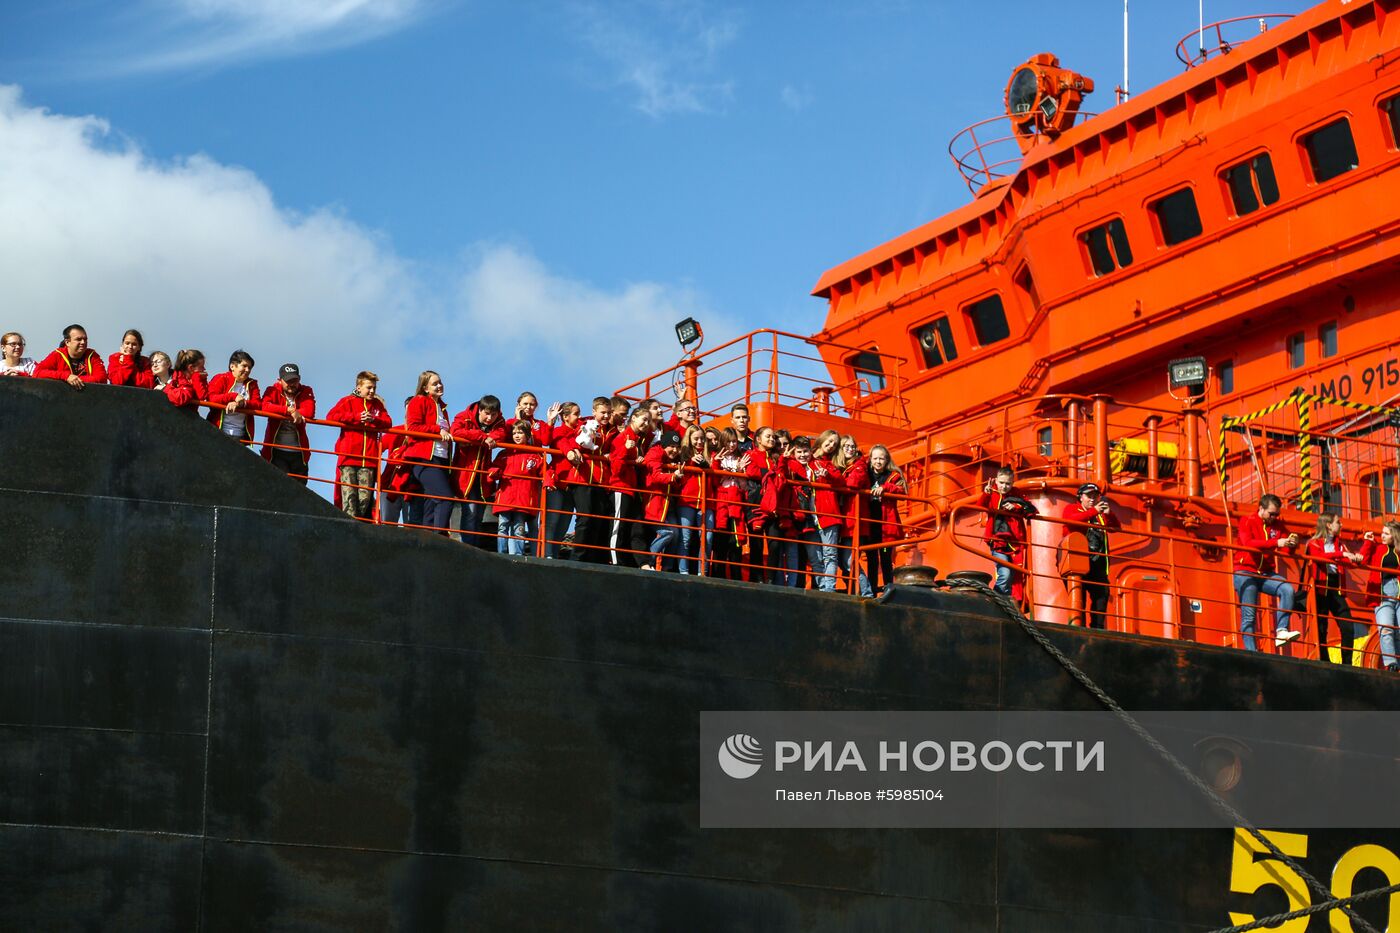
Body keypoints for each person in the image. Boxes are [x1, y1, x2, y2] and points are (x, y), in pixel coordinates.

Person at [1232, 493, 1302, 651]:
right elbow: (1249, 544)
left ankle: (1281, 631)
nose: (1274, 517)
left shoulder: (1277, 525)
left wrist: (1292, 544)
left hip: (1265, 572)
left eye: (1277, 514)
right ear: (1261, 509)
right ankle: (1251, 651)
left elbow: (1285, 549)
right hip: (1245, 571)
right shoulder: (1247, 521)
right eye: (1271, 514)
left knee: (1287, 589)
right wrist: (1277, 542)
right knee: (1249, 615)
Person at [326, 371, 391, 519]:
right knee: (349, 498)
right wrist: (355, 418)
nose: (372, 391)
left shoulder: (377, 405)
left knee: (365, 500)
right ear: (359, 387)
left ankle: (358, 529)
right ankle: (349, 529)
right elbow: (331, 416)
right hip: (348, 458)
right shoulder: (347, 401)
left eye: (374, 387)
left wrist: (374, 420)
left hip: (368, 460)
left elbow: (388, 421)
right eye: (369, 387)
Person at [1305, 512, 1364, 665]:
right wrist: (1342, 554)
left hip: (1335, 587)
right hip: (1320, 588)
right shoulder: (1314, 543)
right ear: (1329, 525)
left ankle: (1347, 663)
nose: (1341, 525)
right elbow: (1321, 557)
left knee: (1348, 626)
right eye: (1338, 522)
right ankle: (1325, 662)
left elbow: (1350, 561)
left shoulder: (1340, 544)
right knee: (1321, 627)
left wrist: (1357, 557)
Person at [1060, 483, 1121, 629]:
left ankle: (1097, 628)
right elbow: (1071, 520)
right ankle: (1078, 627)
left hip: (1097, 563)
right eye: (1089, 496)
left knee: (1102, 594)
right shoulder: (1072, 508)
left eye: (1095, 496)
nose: (1092, 499)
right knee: (1078, 596)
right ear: (1080, 497)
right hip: (1077, 561)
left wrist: (1109, 514)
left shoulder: (1099, 515)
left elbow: (1116, 527)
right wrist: (1094, 511)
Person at [450, 395, 507, 547]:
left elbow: (502, 432)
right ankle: (468, 547)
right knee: (470, 512)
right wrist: (483, 437)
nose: (489, 418)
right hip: (465, 473)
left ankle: (473, 547)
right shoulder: (464, 416)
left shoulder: (499, 421)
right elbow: (455, 431)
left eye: (493, 415)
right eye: (486, 414)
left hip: (482, 477)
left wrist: (490, 437)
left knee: (478, 514)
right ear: (480, 410)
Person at [403, 371, 455, 534]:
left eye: (440, 382)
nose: (439, 385)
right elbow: (412, 427)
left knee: (432, 503)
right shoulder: (418, 401)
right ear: (425, 388)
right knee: (445, 498)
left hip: (441, 459)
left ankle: (428, 538)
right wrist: (437, 430)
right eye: (434, 383)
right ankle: (439, 538)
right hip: (425, 459)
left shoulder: (442, 407)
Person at [977, 466, 1037, 602]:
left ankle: (1006, 603)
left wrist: (1015, 507)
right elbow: (980, 505)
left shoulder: (1017, 494)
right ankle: (995, 601)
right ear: (996, 481)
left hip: (1016, 542)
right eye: (1002, 483)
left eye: (1008, 483)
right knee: (1005, 572)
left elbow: (1032, 510)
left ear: (1012, 483)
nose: (1004, 486)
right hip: (997, 540)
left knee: (1014, 576)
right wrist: (985, 493)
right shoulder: (991, 492)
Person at [488, 420, 545, 556]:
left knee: (519, 529)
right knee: (502, 527)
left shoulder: (535, 455)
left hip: (523, 499)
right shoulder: (504, 454)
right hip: (506, 497)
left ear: (527, 435)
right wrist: (493, 472)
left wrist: (549, 482)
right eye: (514, 433)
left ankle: (518, 555)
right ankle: (501, 554)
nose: (517, 435)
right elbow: (493, 467)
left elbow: (545, 471)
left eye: (520, 432)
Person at [570, 396, 617, 563]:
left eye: (609, 413)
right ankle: (578, 558)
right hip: (583, 478)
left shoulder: (613, 430)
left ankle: (595, 558)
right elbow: (576, 441)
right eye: (603, 412)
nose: (606, 416)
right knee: (586, 518)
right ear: (594, 411)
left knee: (600, 519)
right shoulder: (585, 425)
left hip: (602, 481)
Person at [607, 406, 653, 567]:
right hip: (620, 488)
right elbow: (616, 469)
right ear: (633, 418)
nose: (646, 423)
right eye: (644, 419)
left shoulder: (636, 439)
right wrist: (627, 451)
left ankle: (637, 562)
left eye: (648, 420)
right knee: (618, 526)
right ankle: (614, 560)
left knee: (633, 527)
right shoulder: (623, 438)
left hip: (631, 490)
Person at [832, 435, 874, 597]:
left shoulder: (860, 465)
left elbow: (853, 483)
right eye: (846, 446)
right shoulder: (841, 466)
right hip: (843, 519)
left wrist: (835, 480)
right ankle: (856, 591)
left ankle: (866, 592)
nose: (850, 449)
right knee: (843, 560)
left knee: (849, 561)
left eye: (852, 446)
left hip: (853, 520)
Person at [260, 363, 316, 483]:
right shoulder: (272, 390)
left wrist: (293, 412)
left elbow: (309, 411)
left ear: (299, 379)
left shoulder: (306, 390)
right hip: (275, 451)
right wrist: (289, 410)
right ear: (279, 380)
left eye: (295, 380)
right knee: (280, 485)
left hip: (299, 453)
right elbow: (264, 406)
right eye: (288, 380)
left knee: (300, 490)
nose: (292, 384)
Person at [543, 401, 584, 558]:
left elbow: (580, 442)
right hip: (558, 482)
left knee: (564, 524)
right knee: (552, 521)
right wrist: (572, 449)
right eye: (576, 413)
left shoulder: (580, 430)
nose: (579, 416)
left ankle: (553, 554)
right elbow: (559, 441)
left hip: (571, 485)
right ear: (565, 417)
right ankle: (546, 555)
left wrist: (573, 448)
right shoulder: (558, 431)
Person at [711, 428, 750, 580]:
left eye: (734, 441)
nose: (732, 444)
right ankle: (717, 576)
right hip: (721, 501)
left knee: (736, 541)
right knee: (720, 540)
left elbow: (744, 486)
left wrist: (739, 472)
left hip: (736, 501)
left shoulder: (741, 458)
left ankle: (736, 577)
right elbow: (713, 482)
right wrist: (717, 466)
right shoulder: (717, 457)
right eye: (729, 441)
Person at [865, 444, 906, 594]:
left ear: (886, 459)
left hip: (886, 526)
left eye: (881, 458)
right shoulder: (865, 473)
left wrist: (886, 487)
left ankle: (889, 589)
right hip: (870, 524)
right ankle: (872, 591)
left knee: (886, 558)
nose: (878, 461)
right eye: (875, 458)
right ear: (870, 459)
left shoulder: (893, 475)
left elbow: (902, 491)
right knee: (872, 560)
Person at [643, 429, 686, 569]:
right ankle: (649, 560)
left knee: (676, 534)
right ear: (664, 445)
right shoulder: (655, 453)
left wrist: (677, 479)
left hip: (667, 505)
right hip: (654, 503)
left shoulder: (674, 461)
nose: (674, 450)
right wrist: (674, 476)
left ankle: (667, 569)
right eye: (671, 446)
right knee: (668, 533)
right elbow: (656, 476)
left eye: (677, 447)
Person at [1360, 521, 1400, 671]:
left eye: (1386, 533)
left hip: (1399, 590)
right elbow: (1363, 560)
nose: (1382, 535)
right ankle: (1391, 664)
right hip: (1382, 591)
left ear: (1394, 536)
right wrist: (1368, 542)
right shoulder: (1377, 548)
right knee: (1386, 628)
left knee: (1399, 631)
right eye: (1382, 532)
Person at [676, 424, 714, 575]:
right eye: (696, 439)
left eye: (702, 439)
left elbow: (715, 479)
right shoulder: (683, 454)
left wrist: (707, 465)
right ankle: (683, 572)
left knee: (707, 538)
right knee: (685, 538)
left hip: (707, 502)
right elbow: (681, 478)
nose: (699, 442)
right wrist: (692, 462)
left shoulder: (710, 455)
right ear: (689, 439)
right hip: (687, 501)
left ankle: (702, 572)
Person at [206, 350, 260, 442]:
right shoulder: (221, 378)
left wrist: (241, 403)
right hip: (217, 432)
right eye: (244, 366)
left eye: (249, 368)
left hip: (240, 436)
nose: (247, 370)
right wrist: (233, 396)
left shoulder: (252, 384)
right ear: (232, 366)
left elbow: (258, 404)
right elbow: (211, 398)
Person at [34, 324, 106, 388]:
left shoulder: (93, 355)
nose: (83, 342)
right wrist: (66, 377)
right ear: (67, 342)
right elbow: (37, 373)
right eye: (79, 339)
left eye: (85, 339)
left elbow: (102, 379)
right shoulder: (57, 354)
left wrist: (75, 380)